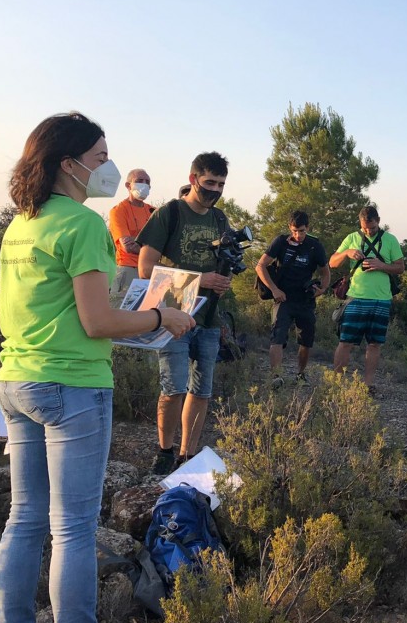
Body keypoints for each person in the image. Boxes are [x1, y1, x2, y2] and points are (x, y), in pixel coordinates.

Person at [0, 113, 193, 623]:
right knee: (73, 529)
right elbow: (97, 322)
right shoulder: (82, 225)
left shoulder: (21, 223)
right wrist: (160, 318)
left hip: (16, 381)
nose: (108, 166)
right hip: (72, 387)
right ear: (68, 162)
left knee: (24, 518)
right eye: (101, 156)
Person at [137, 151, 234, 475]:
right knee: (174, 386)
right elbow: (145, 267)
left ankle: (186, 454)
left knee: (201, 390)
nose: (215, 190)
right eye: (210, 183)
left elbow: (225, 260)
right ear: (194, 179)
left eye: (221, 184)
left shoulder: (220, 220)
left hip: (208, 317)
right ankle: (164, 450)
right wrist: (198, 279)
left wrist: (222, 281)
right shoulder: (170, 213)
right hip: (173, 315)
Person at [330, 205, 405, 390]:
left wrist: (381, 265)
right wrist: (347, 253)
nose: (368, 230)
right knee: (345, 341)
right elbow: (332, 263)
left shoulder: (390, 240)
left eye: (371, 227)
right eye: (364, 227)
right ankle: (337, 385)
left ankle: (367, 385)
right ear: (360, 223)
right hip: (355, 297)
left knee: (374, 344)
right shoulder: (352, 238)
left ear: (378, 221)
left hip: (381, 299)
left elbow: (400, 267)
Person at [256, 210, 330, 383]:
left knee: (306, 339)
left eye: (302, 231)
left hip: (305, 299)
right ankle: (276, 376)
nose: (298, 235)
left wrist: (323, 288)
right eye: (295, 231)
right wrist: (274, 290)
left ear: (307, 228)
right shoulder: (280, 242)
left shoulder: (314, 245)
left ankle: (301, 374)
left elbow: (325, 271)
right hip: (283, 298)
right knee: (277, 335)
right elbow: (260, 266)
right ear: (290, 228)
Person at [107, 167, 155, 294]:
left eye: (147, 182)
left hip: (151, 271)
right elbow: (127, 246)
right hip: (128, 269)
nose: (144, 184)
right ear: (128, 185)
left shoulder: (155, 212)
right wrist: (153, 249)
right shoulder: (118, 211)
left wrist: (138, 242)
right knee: (124, 310)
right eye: (140, 180)